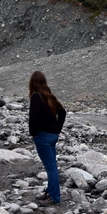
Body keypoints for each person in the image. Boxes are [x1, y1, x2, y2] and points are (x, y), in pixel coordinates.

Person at [28, 71, 67, 204]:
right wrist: (57, 129)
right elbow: (62, 112)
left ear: (32, 83)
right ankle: (51, 191)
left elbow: (33, 118)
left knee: (50, 168)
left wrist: (33, 133)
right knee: (52, 165)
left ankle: (55, 197)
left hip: (42, 136)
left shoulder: (36, 96)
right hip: (53, 136)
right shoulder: (49, 96)